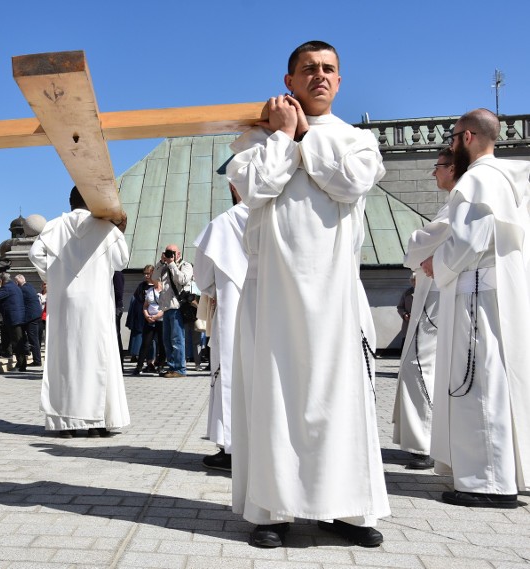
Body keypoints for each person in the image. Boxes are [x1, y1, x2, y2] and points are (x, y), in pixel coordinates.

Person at [226, 40, 389, 547]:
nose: (319, 75)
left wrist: (302, 137)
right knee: (278, 394)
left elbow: (349, 183)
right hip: (274, 290)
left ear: (339, 82)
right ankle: (273, 511)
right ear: (289, 82)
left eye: (328, 69)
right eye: (308, 69)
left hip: (335, 291)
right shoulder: (254, 141)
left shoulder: (358, 140)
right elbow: (254, 188)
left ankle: (344, 508)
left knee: (338, 399)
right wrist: (283, 137)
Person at [420, 109, 530, 509]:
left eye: (452, 138)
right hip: (496, 291)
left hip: (477, 293)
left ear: (467, 137)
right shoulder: (510, 179)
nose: (450, 145)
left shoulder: (480, 179)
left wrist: (437, 263)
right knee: (495, 382)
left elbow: (469, 240)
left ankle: (487, 483)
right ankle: (497, 473)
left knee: (477, 384)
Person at [29, 187, 129, 438]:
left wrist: (54, 275)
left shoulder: (55, 225)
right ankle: (97, 424)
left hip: (65, 302)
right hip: (95, 302)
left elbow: (34, 254)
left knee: (65, 359)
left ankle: (66, 424)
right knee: (98, 358)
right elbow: (121, 261)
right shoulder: (104, 227)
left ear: (71, 201)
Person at [392, 147, 455, 471]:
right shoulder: (452, 204)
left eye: (439, 167)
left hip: (438, 296)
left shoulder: (458, 203)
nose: (434, 173)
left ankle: (427, 442)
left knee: (420, 363)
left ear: (453, 168)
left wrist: (419, 248)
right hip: (438, 292)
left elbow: (417, 247)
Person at [192, 183, 249, 472]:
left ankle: (232, 448)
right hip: (277, 307)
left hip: (234, 308)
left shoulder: (223, 225)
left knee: (230, 373)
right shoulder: (283, 215)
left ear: (234, 186)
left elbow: (202, 279)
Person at [151, 244, 193, 378]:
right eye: (167, 252)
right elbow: (155, 277)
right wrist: (161, 262)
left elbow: (182, 279)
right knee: (167, 340)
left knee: (177, 339)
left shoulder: (185, 265)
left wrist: (172, 264)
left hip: (177, 308)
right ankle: (172, 367)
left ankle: (180, 369)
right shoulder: (165, 266)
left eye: (172, 252)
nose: (169, 255)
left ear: (179, 254)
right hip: (166, 308)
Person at [0, 273, 25, 371]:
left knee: (17, 342)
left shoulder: (6, 287)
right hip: (19, 317)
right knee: (18, 341)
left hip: (13, 319)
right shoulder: (15, 287)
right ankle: (21, 364)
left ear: (1, 281)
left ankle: (20, 366)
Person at [131, 280, 164, 375]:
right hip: (150, 319)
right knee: (145, 343)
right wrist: (146, 315)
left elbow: (166, 306)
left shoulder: (165, 290)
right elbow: (145, 306)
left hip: (161, 319)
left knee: (162, 344)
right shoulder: (150, 290)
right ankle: (139, 366)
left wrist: (157, 316)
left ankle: (161, 366)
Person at [15, 274, 43, 368]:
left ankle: (37, 361)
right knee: (34, 339)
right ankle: (36, 359)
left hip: (31, 317)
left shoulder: (22, 289)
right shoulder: (29, 286)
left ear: (17, 282)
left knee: (33, 339)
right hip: (36, 316)